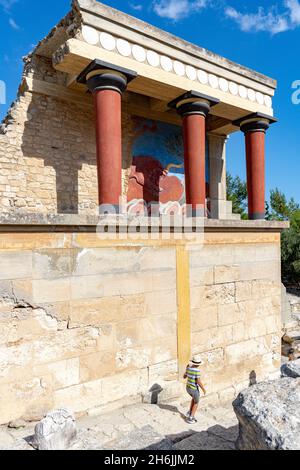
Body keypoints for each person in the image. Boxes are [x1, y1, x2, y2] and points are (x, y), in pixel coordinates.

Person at [183, 355, 206, 424]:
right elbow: (198, 381)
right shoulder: (197, 371)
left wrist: (187, 369)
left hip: (188, 388)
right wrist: (203, 389)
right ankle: (191, 417)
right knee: (196, 402)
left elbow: (184, 377)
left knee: (193, 399)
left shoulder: (188, 368)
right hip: (194, 389)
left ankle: (190, 412)